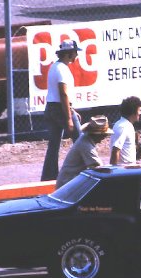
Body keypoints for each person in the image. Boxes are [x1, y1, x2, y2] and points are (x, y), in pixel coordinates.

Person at [41, 39, 82, 182]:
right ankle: (87, 172)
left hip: (51, 108)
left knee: (53, 146)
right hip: (60, 109)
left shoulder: (55, 67)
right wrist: (69, 117)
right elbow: (63, 93)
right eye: (75, 52)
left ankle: (48, 177)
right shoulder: (62, 69)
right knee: (81, 140)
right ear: (69, 53)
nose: (77, 55)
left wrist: (72, 110)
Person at [56, 115, 113, 189]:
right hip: (67, 184)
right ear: (96, 135)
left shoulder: (85, 139)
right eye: (103, 135)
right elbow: (99, 168)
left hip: (70, 182)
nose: (104, 137)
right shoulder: (86, 145)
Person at [109, 96, 141, 165]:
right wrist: (114, 172)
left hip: (128, 169)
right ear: (133, 112)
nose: (140, 113)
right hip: (124, 172)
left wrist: (135, 156)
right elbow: (115, 150)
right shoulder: (123, 127)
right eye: (139, 110)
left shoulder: (126, 125)